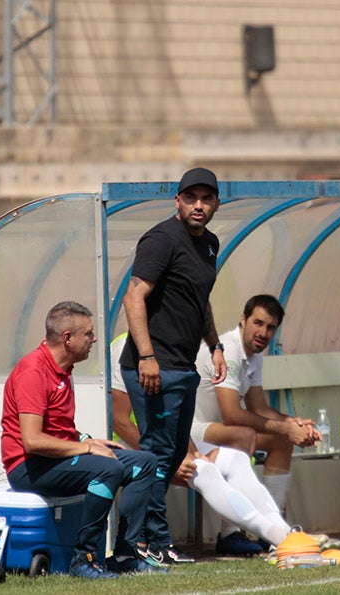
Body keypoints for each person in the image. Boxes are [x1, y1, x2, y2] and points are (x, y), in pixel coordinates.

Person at [1, 301, 161, 579]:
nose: (94, 339)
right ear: (67, 338)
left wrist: (88, 439)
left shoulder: (63, 369)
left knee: (144, 462)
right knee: (108, 468)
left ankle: (125, 554)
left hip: (56, 458)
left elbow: (57, 428)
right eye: (88, 333)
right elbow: (32, 441)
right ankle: (83, 559)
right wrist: (86, 447)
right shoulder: (33, 371)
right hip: (29, 466)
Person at [119, 166, 228, 565]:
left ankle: (144, 540)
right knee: (157, 455)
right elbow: (135, 296)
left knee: (173, 453)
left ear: (216, 203)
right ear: (177, 201)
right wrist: (147, 357)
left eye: (207, 199)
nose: (199, 205)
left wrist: (214, 344)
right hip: (153, 365)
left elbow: (199, 300)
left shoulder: (210, 243)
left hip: (183, 365)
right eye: (191, 198)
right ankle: (146, 543)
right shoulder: (162, 238)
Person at [110, 334, 295, 554]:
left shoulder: (178, 342)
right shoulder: (127, 346)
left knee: (235, 459)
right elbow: (119, 421)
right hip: (129, 444)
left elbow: (172, 418)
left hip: (166, 441)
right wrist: (168, 456)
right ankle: (280, 537)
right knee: (204, 470)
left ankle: (286, 534)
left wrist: (191, 451)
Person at [192, 294, 320, 554]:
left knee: (281, 440)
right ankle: (229, 534)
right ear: (243, 320)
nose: (263, 332)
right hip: (194, 432)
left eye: (270, 327)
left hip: (219, 431)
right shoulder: (227, 350)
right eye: (258, 323)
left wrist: (293, 424)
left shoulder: (255, 355)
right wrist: (285, 427)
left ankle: (272, 531)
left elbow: (259, 407)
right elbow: (231, 415)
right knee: (244, 435)